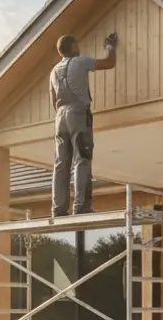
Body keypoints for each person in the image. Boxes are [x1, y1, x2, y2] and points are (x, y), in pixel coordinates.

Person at [49, 32, 117, 216]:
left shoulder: (54, 71)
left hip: (59, 118)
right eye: (77, 45)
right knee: (82, 158)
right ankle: (81, 206)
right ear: (72, 48)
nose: (79, 48)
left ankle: (58, 209)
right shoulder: (81, 61)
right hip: (78, 113)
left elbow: (53, 99)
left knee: (61, 163)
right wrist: (110, 46)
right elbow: (109, 63)